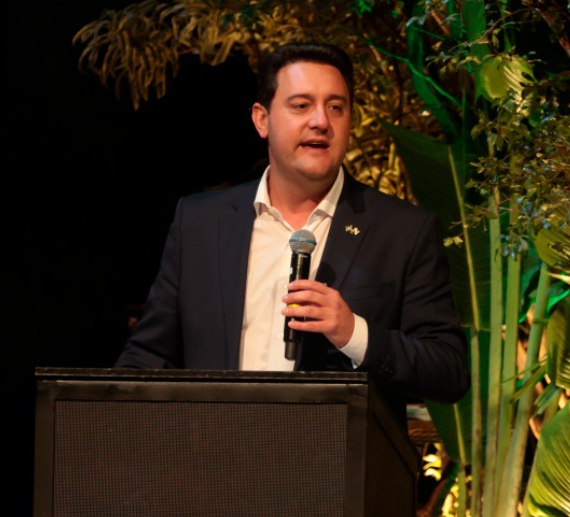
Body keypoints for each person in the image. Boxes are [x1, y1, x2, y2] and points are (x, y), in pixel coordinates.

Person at [115, 42, 469, 424]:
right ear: (261, 120)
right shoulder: (201, 222)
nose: (321, 121)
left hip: (332, 457)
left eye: (336, 107)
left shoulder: (402, 231)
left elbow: (447, 370)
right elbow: (149, 355)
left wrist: (355, 333)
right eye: (301, 105)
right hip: (213, 450)